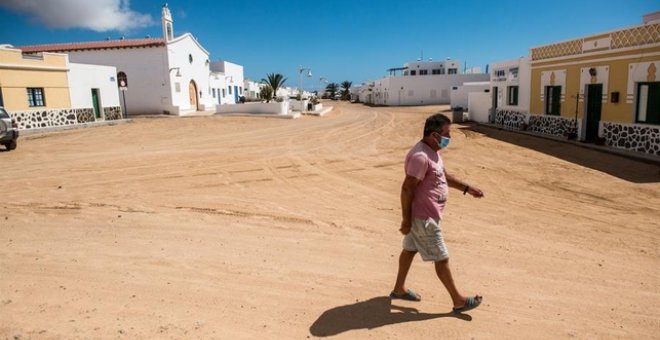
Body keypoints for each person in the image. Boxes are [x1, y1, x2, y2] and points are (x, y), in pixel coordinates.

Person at [390, 113, 484, 313]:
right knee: (441, 258)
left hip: (425, 217)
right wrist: (406, 220)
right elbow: (407, 189)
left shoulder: (433, 152)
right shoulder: (420, 157)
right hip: (424, 219)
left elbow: (443, 176)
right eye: (447, 133)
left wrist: (468, 188)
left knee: (409, 251)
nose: (449, 137)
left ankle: (399, 289)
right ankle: (458, 300)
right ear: (434, 135)